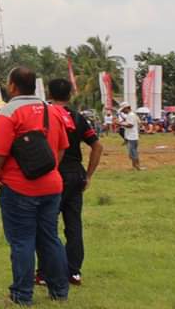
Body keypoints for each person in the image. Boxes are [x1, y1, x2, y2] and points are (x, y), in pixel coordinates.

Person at [0, 66, 70, 305]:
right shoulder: (52, 110)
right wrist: (49, 168)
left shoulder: (9, 112)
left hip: (19, 187)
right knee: (50, 238)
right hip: (52, 186)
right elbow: (62, 147)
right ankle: (59, 291)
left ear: (12, 85)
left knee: (22, 241)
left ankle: (22, 295)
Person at [35, 79, 103, 288]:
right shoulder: (77, 117)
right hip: (76, 175)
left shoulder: (46, 115)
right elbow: (97, 146)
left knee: (46, 226)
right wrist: (88, 175)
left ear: (49, 92)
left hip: (55, 174)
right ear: (71, 95)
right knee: (74, 226)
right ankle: (73, 272)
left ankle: (46, 273)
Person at [117, 102, 141, 171]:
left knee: (133, 152)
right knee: (132, 152)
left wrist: (120, 123)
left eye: (123, 110)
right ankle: (134, 166)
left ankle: (137, 166)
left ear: (127, 108)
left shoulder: (131, 115)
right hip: (130, 136)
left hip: (132, 137)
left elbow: (130, 125)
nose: (123, 112)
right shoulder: (130, 115)